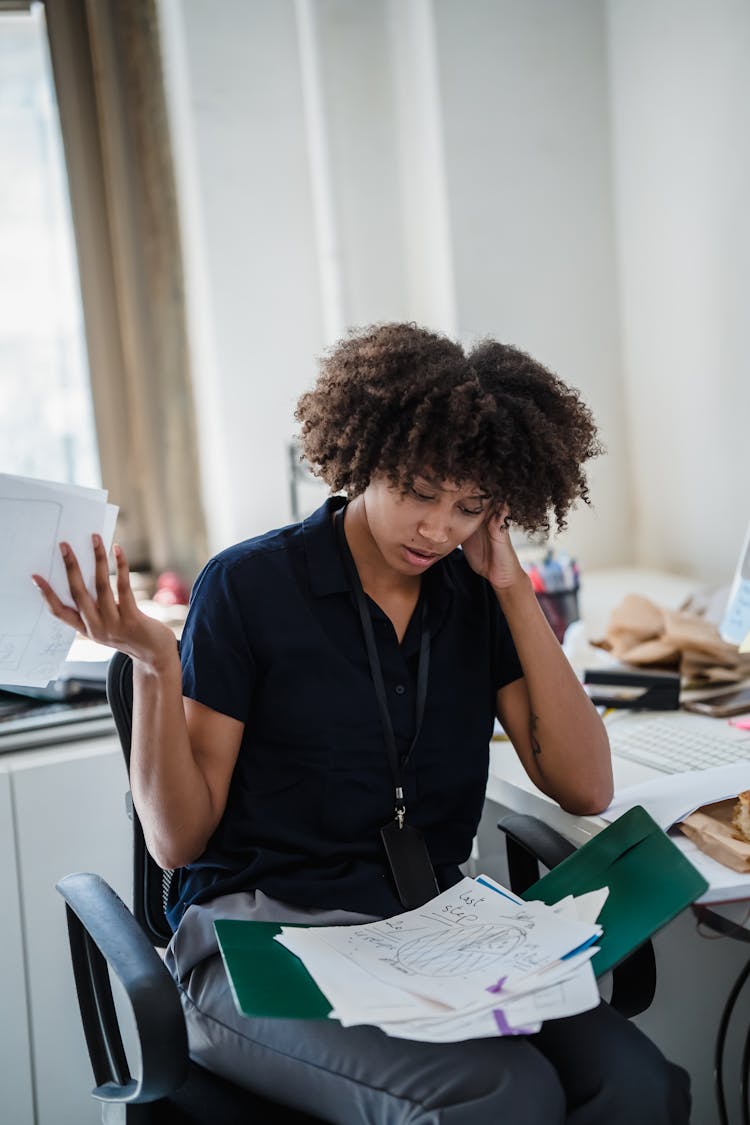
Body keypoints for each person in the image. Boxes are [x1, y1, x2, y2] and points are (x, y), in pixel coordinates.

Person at [35, 323, 690, 1124]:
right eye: (420, 490)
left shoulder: (474, 593)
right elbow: (177, 842)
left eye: (468, 506)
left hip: (427, 935)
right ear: (368, 455)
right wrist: (155, 663)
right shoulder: (249, 587)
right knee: (505, 1095)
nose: (437, 528)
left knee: (638, 1084)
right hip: (260, 947)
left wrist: (513, 588)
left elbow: (585, 784)